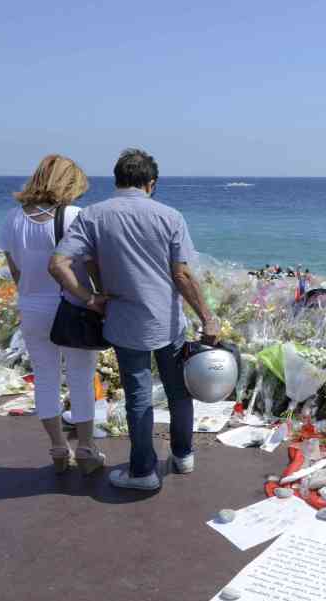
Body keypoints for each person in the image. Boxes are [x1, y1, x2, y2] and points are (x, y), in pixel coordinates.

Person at [50, 148, 218, 491]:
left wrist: (90, 298)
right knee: (178, 391)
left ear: (116, 181)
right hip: (168, 322)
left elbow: (58, 264)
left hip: (124, 322)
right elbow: (182, 275)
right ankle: (183, 456)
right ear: (151, 183)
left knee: (138, 397)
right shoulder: (170, 216)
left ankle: (142, 472)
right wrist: (207, 318)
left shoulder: (93, 216)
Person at [0, 155, 102, 474]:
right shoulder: (74, 215)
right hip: (71, 306)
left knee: (45, 378)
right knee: (81, 378)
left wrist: (31, 293)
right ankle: (86, 450)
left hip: (31, 307)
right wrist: (97, 297)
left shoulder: (13, 218)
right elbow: (89, 264)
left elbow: (14, 270)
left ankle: (58, 449)